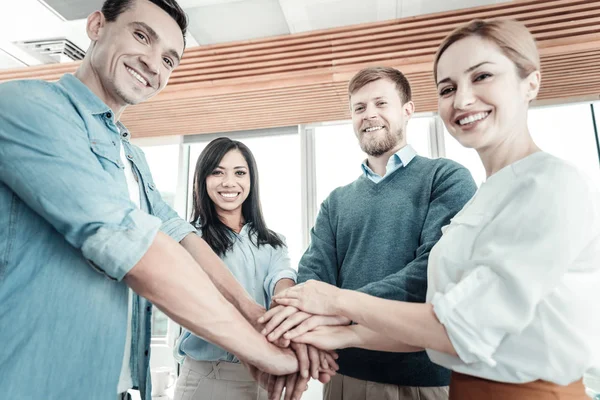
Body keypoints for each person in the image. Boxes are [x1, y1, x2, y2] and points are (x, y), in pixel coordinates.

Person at [268, 19, 600, 400]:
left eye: (483, 76)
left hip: (454, 384)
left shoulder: (537, 183)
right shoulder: (489, 194)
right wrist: (327, 330)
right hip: (366, 370)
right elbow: (444, 310)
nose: (462, 100)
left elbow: (447, 309)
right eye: (448, 88)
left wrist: (333, 303)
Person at [0, 1, 310, 399]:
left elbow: (180, 239)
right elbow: (133, 248)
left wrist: (254, 315)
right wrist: (259, 350)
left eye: (168, 59)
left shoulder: (131, 156)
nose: (153, 64)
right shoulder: (29, 109)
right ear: (96, 25)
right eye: (141, 36)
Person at [260, 66, 477, 400]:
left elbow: (430, 273)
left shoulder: (446, 178)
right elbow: (313, 276)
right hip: (342, 376)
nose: (369, 115)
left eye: (381, 104)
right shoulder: (336, 201)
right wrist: (308, 317)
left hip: (422, 380)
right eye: (359, 108)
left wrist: (338, 306)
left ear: (408, 110)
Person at [173, 137, 338, 400]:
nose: (229, 182)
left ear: (251, 181)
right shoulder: (189, 238)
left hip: (267, 374)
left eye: (240, 173)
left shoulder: (273, 242)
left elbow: (282, 281)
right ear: (203, 180)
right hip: (210, 376)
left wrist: (286, 318)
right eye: (217, 172)